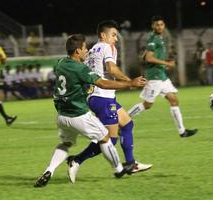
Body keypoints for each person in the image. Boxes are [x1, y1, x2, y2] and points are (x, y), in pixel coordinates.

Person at [34, 34, 147, 187]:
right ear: (77, 51)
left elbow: (72, 82)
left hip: (62, 116)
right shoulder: (81, 68)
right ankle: (118, 169)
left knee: (65, 144)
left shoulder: (60, 63)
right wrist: (130, 83)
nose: (86, 51)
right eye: (84, 48)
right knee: (106, 137)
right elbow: (103, 84)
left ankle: (50, 169)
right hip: (78, 115)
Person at [66, 20, 152, 184]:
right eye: (113, 35)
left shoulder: (91, 51)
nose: (116, 39)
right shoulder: (107, 47)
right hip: (102, 97)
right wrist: (130, 81)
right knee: (110, 139)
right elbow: (112, 69)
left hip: (96, 97)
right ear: (103, 35)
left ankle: (130, 163)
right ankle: (76, 160)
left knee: (127, 123)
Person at [128, 16, 198, 138]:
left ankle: (182, 131)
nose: (159, 27)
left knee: (174, 100)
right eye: (157, 25)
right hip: (155, 77)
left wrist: (163, 65)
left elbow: (150, 58)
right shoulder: (154, 39)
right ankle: (122, 120)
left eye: (161, 24)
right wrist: (167, 63)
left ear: (164, 25)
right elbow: (148, 57)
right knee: (147, 105)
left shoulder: (160, 38)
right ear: (153, 26)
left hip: (161, 76)